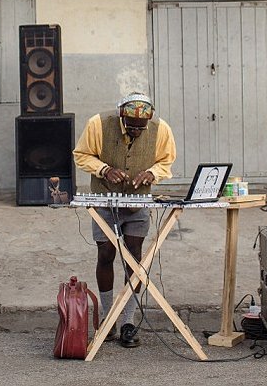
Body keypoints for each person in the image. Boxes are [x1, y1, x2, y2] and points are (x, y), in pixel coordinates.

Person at [72, 92, 176, 348]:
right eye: (131, 127)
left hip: (137, 203)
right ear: (121, 115)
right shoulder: (98, 123)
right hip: (105, 201)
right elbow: (81, 155)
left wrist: (152, 173)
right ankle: (108, 318)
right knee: (106, 254)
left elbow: (166, 161)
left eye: (142, 128)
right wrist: (104, 169)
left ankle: (128, 322)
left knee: (134, 258)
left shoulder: (160, 129)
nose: (137, 132)